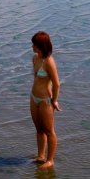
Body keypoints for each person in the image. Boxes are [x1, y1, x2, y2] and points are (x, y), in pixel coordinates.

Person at [30, 31, 60, 169]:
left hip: (45, 100)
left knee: (49, 131)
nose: (32, 47)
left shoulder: (49, 62)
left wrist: (54, 101)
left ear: (41, 45)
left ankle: (50, 160)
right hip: (33, 97)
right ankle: (41, 155)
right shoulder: (35, 59)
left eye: (34, 44)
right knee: (39, 129)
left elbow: (56, 83)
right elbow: (36, 78)